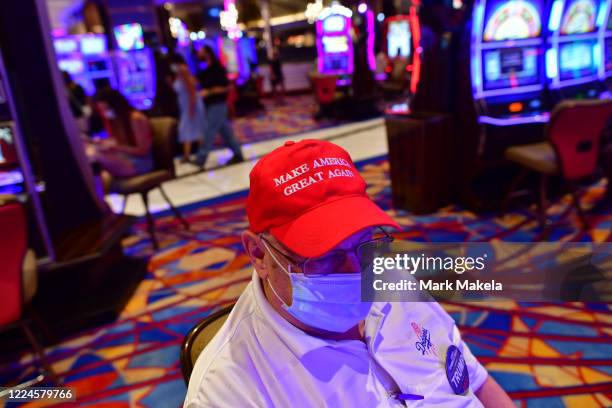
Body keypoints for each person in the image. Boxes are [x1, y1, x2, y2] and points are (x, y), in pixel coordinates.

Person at [184, 139, 514, 407]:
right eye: (325, 257)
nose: (356, 273)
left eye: (363, 244)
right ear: (258, 254)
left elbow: (473, 379)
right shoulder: (227, 391)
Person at [194, 45, 244, 169]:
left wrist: (209, 92)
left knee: (209, 131)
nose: (198, 54)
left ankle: (201, 158)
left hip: (218, 104)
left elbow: (227, 87)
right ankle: (238, 153)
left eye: (201, 51)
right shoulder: (206, 69)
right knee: (225, 132)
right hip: (211, 104)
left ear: (208, 53)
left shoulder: (218, 68)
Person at [86, 88, 152, 179]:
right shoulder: (117, 120)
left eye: (105, 109)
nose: (104, 113)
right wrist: (105, 143)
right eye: (101, 111)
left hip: (141, 162)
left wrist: (116, 148)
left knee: (96, 156)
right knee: (91, 153)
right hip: (126, 157)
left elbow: (142, 151)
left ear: (115, 104)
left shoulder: (136, 118)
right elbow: (120, 141)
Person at [168, 53, 205, 163]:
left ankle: (199, 154)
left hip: (191, 105)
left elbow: (192, 91)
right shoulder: (180, 72)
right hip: (187, 106)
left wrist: (191, 108)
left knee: (189, 130)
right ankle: (192, 155)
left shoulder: (182, 69)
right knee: (190, 130)